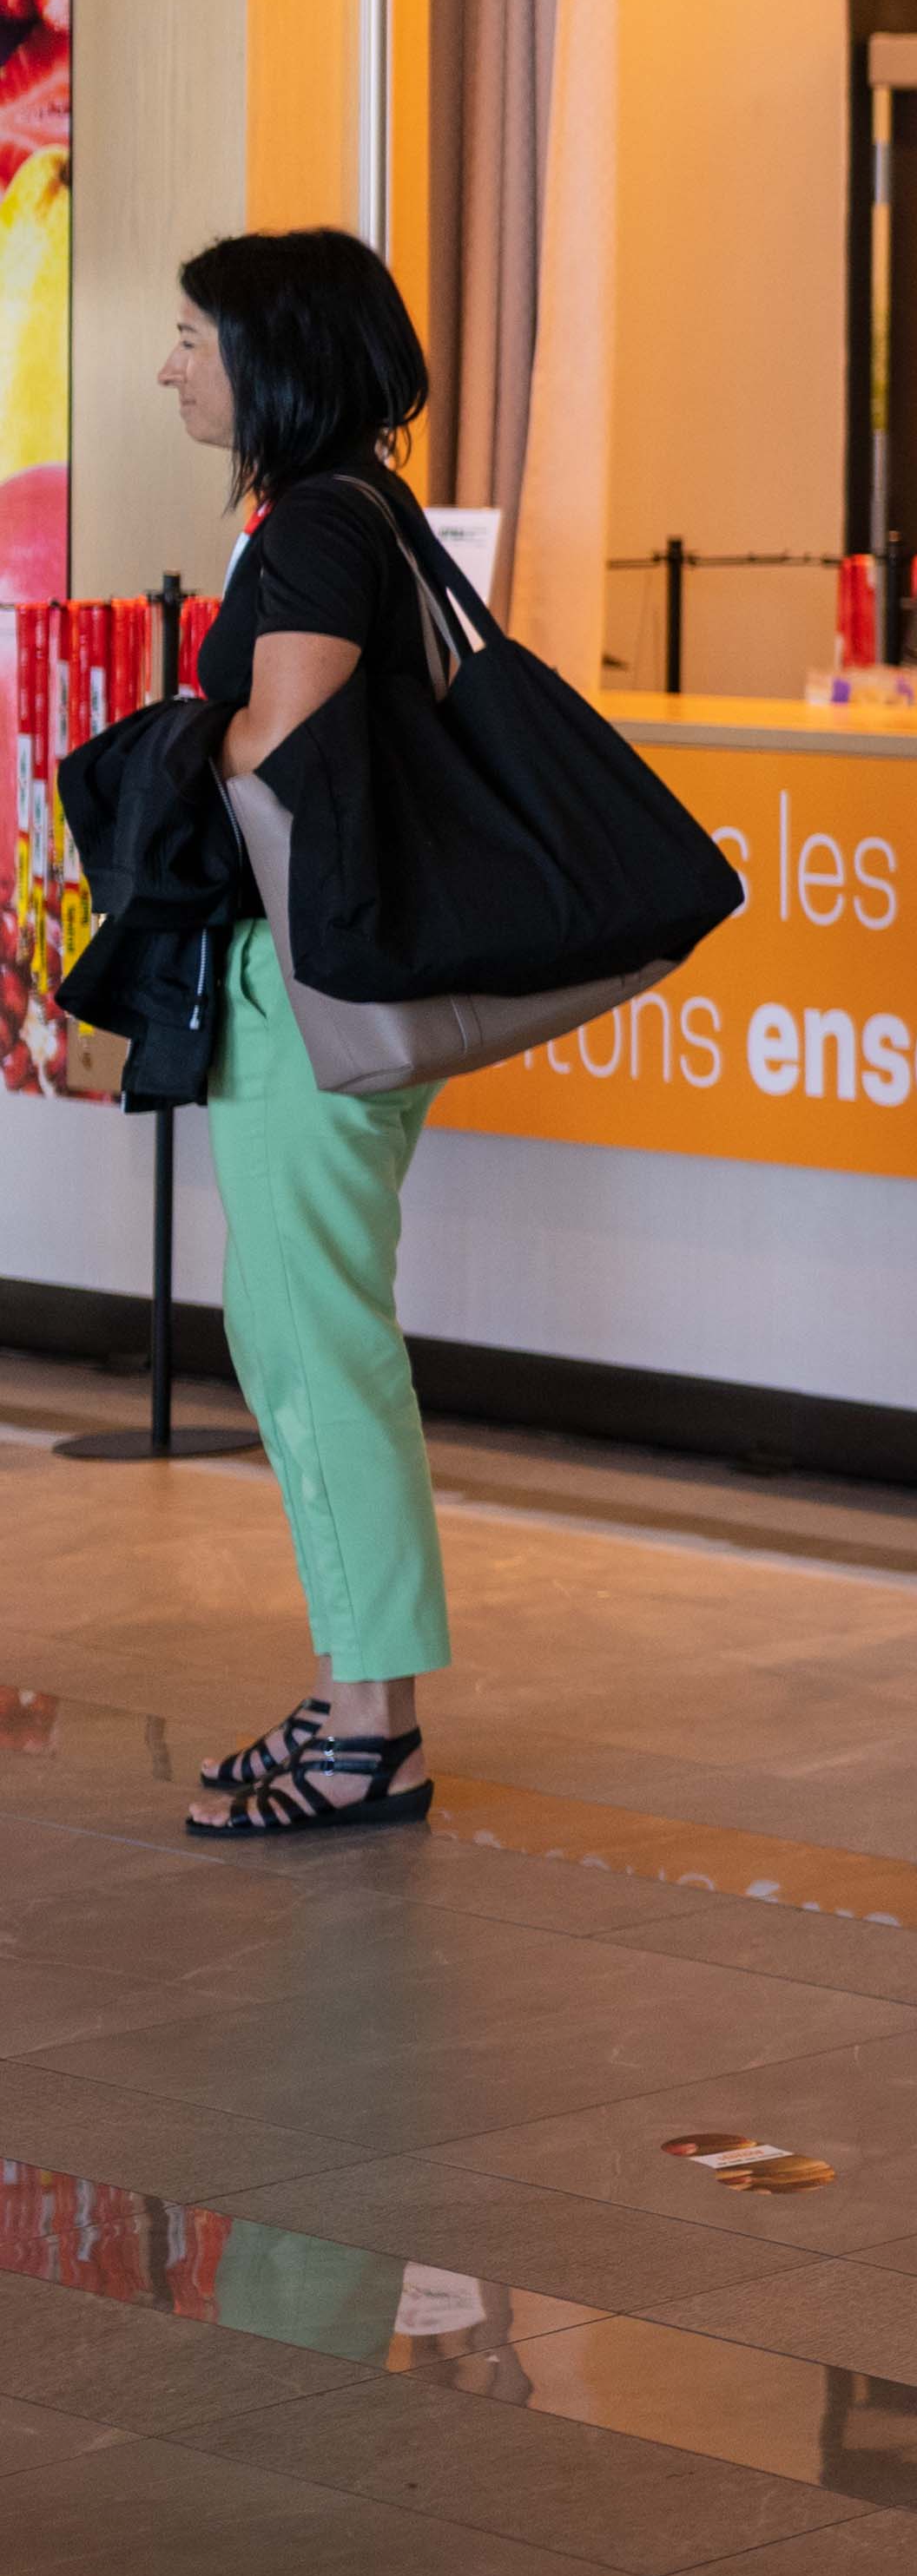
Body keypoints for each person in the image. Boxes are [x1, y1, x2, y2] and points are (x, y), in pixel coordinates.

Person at [150, 232, 462, 1839]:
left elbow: (282, 735)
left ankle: (371, 1727)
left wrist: (170, 751)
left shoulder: (323, 527)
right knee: (293, 1328)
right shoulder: (354, 512)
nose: (170, 366)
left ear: (275, 357)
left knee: (314, 1333)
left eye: (192, 337)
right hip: (314, 970)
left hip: (305, 979)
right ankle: (357, 1694)